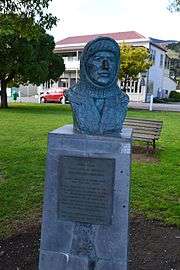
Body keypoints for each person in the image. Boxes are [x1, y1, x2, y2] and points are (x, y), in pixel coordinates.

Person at [68, 36, 129, 135]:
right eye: (98, 59)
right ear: (85, 64)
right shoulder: (74, 95)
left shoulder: (122, 99)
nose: (105, 66)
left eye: (110, 59)